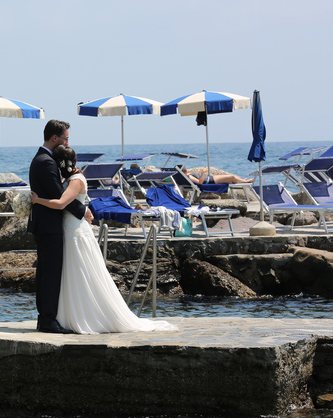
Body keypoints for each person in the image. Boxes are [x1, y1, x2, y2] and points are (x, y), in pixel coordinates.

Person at [31, 145, 177, 334]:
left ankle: (86, 315)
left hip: (74, 230)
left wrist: (37, 200)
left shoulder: (75, 180)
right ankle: (69, 315)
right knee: (72, 273)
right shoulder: (68, 178)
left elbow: (60, 204)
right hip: (68, 229)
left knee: (82, 272)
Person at [28, 119, 92, 334]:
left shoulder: (43, 158)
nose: (67, 142)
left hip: (47, 224)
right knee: (50, 274)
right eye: (65, 138)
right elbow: (58, 194)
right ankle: (47, 320)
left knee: (47, 272)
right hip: (49, 225)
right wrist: (83, 210)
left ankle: (47, 318)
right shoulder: (45, 161)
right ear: (55, 138)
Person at [182, 166, 253, 185]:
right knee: (232, 177)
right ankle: (246, 182)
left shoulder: (187, 175)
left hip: (210, 178)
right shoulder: (189, 177)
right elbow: (200, 182)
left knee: (231, 176)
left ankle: (243, 180)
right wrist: (203, 172)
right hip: (209, 181)